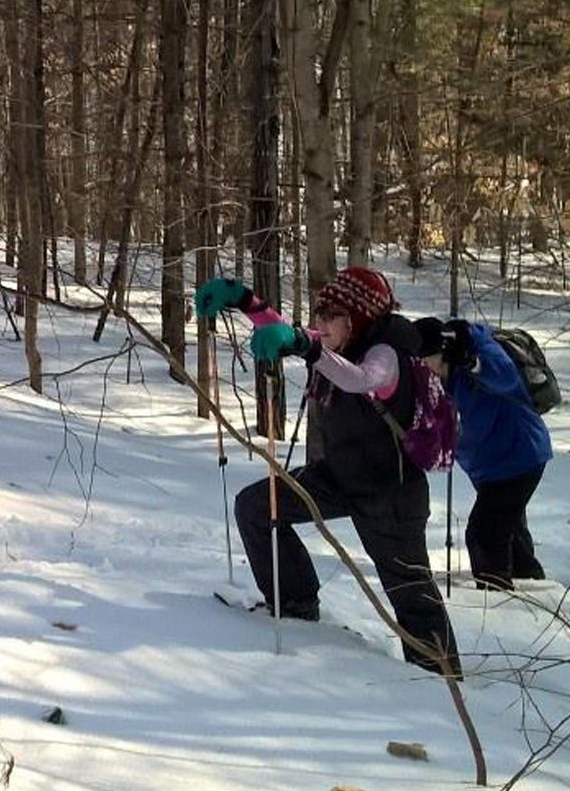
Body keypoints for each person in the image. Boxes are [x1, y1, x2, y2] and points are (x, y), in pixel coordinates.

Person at [195, 265, 461, 677]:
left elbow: (358, 380)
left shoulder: (387, 353)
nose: (320, 322)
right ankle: (296, 607)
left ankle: (440, 680)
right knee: (256, 507)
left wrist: (305, 345)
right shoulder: (343, 341)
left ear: (356, 316)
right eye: (318, 313)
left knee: (410, 593)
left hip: (390, 492)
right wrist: (244, 300)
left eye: (330, 314)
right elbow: (292, 334)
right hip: (339, 476)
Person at [417, 316, 552, 590]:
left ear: (442, 352)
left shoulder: (476, 348)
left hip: (519, 454)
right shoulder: (431, 381)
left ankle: (496, 599)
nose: (419, 365)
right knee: (508, 530)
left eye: (425, 357)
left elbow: (505, 377)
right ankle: (535, 589)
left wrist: (471, 359)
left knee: (483, 533)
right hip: (487, 467)